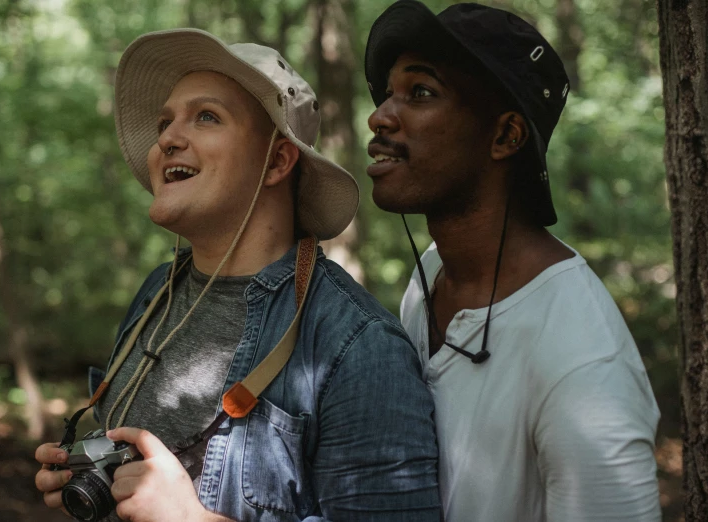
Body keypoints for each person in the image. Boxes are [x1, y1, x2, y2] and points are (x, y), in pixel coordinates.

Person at [34, 29, 440, 521]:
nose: (167, 138)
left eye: (206, 117)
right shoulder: (157, 294)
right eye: (165, 121)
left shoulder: (357, 346)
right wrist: (88, 479)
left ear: (277, 160)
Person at [364, 2, 661, 521]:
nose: (380, 115)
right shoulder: (431, 275)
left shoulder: (582, 357)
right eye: (390, 92)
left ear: (505, 136)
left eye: (421, 93)